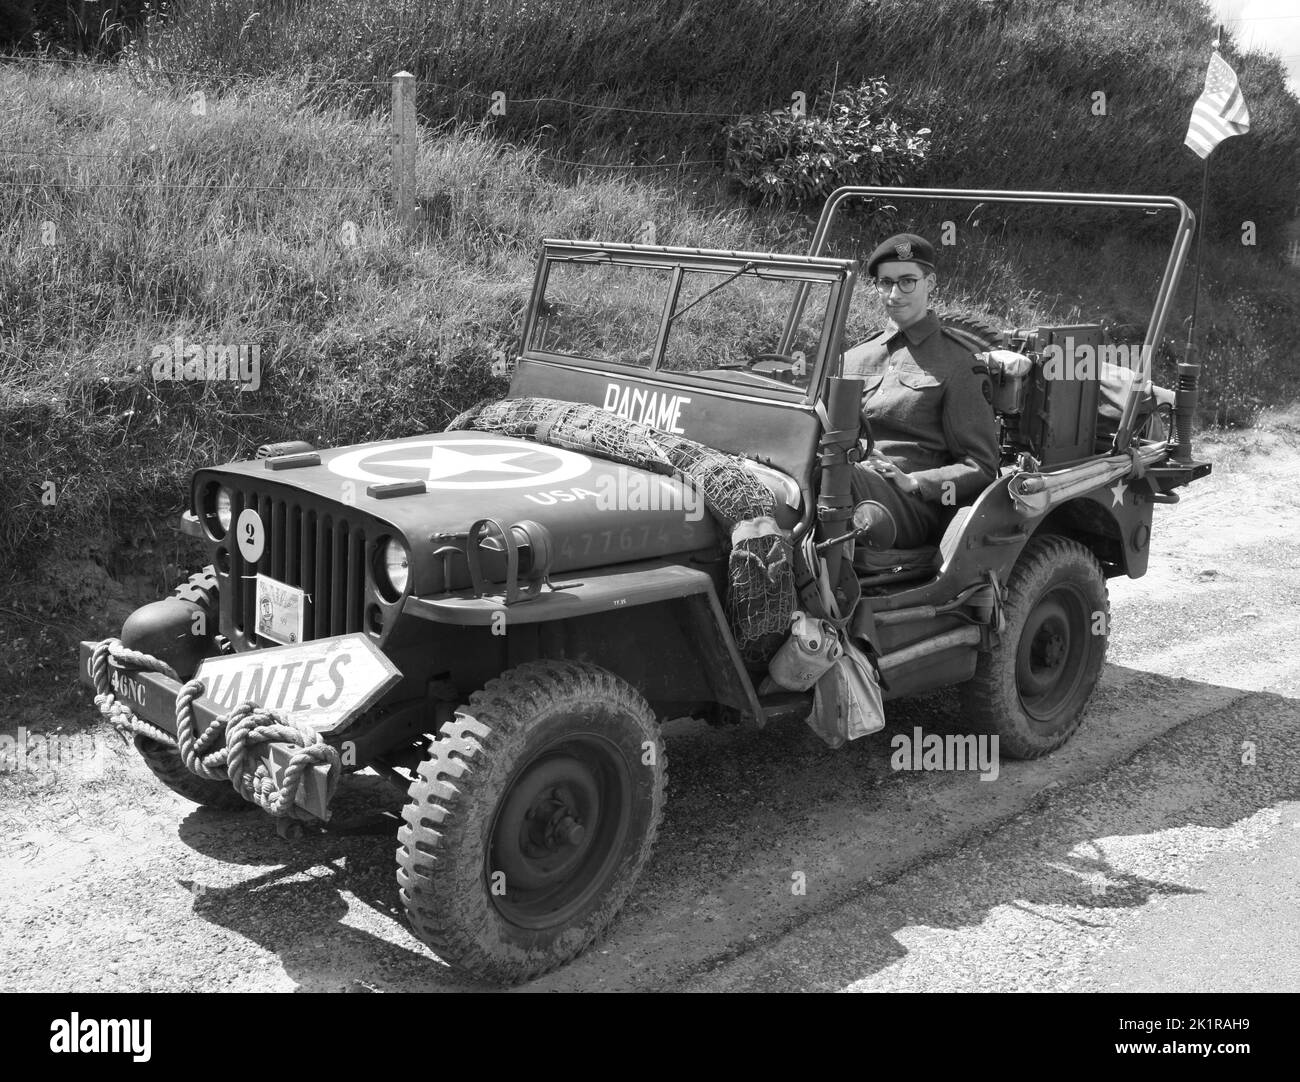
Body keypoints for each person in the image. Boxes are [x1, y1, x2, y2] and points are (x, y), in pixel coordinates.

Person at [842, 232, 1000, 550]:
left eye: (907, 281)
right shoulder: (856, 356)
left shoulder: (959, 363)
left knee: (827, 472)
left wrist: (915, 482)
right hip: (851, 478)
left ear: (930, 283)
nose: (894, 293)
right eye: (885, 282)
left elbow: (981, 467)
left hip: (910, 505)